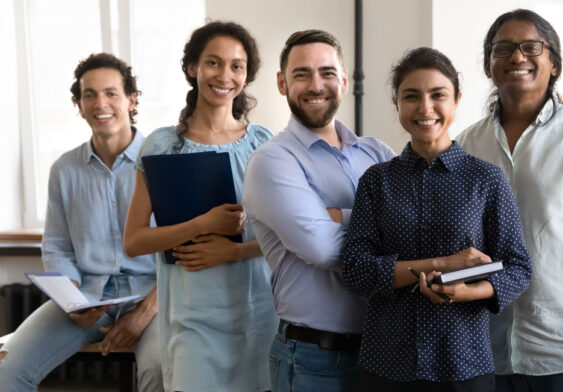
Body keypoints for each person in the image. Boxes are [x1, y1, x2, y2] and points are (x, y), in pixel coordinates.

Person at [455, 9, 563, 392]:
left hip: (561, 358)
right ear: (488, 66)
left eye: (531, 47)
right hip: (482, 352)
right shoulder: (466, 145)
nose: (517, 57)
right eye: (504, 49)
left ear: (554, 64)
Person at [341, 47, 531, 392]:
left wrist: (469, 292)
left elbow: (518, 267)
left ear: (456, 100)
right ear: (397, 104)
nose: (425, 109)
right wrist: (442, 263)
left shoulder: (486, 180)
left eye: (438, 95)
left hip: (463, 364)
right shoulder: (376, 180)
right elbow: (355, 268)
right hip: (386, 364)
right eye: (411, 96)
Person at [123, 21, 275, 392]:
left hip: (256, 316)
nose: (225, 75)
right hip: (190, 320)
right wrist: (202, 224)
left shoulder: (264, 145)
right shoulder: (161, 146)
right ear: (193, 68)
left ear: (246, 76)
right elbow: (134, 241)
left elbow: (287, 238)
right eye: (213, 63)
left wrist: (234, 252)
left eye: (236, 66)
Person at [242, 29, 394, 392]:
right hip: (314, 362)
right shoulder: (272, 161)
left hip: (384, 353)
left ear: (343, 81)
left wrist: (339, 216)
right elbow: (323, 249)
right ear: (281, 83)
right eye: (301, 74)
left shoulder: (377, 153)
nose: (316, 84)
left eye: (327, 73)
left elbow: (417, 228)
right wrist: (383, 229)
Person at [0, 53, 162, 392]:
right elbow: (57, 246)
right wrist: (71, 298)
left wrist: (146, 311)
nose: (100, 103)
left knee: (161, 377)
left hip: (154, 301)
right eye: (89, 94)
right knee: (6, 370)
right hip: (87, 299)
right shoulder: (64, 170)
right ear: (79, 104)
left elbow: (181, 250)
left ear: (131, 100)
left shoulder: (161, 161)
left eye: (111, 93)